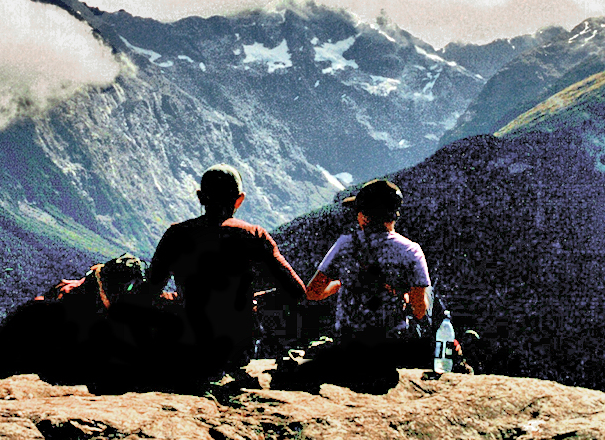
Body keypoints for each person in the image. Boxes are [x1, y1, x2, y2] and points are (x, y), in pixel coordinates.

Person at [140, 164, 307, 387]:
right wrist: (252, 300)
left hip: (187, 344)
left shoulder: (176, 235)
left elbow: (150, 292)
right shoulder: (255, 235)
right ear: (239, 200)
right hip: (237, 349)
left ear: (200, 197)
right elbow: (297, 291)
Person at [299, 178, 432, 392]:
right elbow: (419, 310)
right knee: (428, 292)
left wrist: (342, 283)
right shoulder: (412, 250)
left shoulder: (345, 243)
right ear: (394, 214)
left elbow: (313, 293)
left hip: (348, 343)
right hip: (389, 348)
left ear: (363, 215)